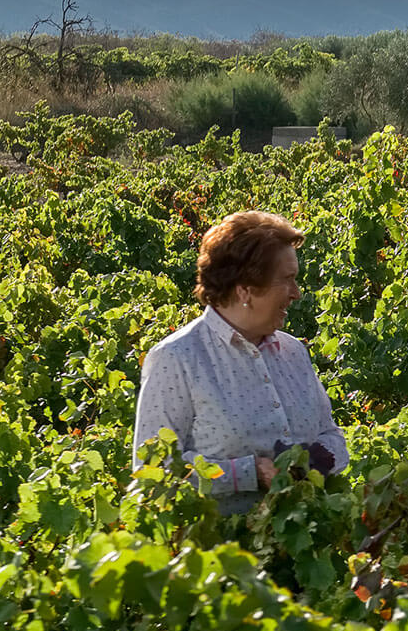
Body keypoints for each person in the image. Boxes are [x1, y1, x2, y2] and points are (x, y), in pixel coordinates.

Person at [134, 210, 348, 514]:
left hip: (303, 545)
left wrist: (313, 464)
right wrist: (246, 474)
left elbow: (331, 434)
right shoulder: (177, 358)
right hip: (219, 554)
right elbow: (151, 473)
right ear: (245, 289)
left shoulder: (293, 352)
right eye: (287, 280)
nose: (296, 294)